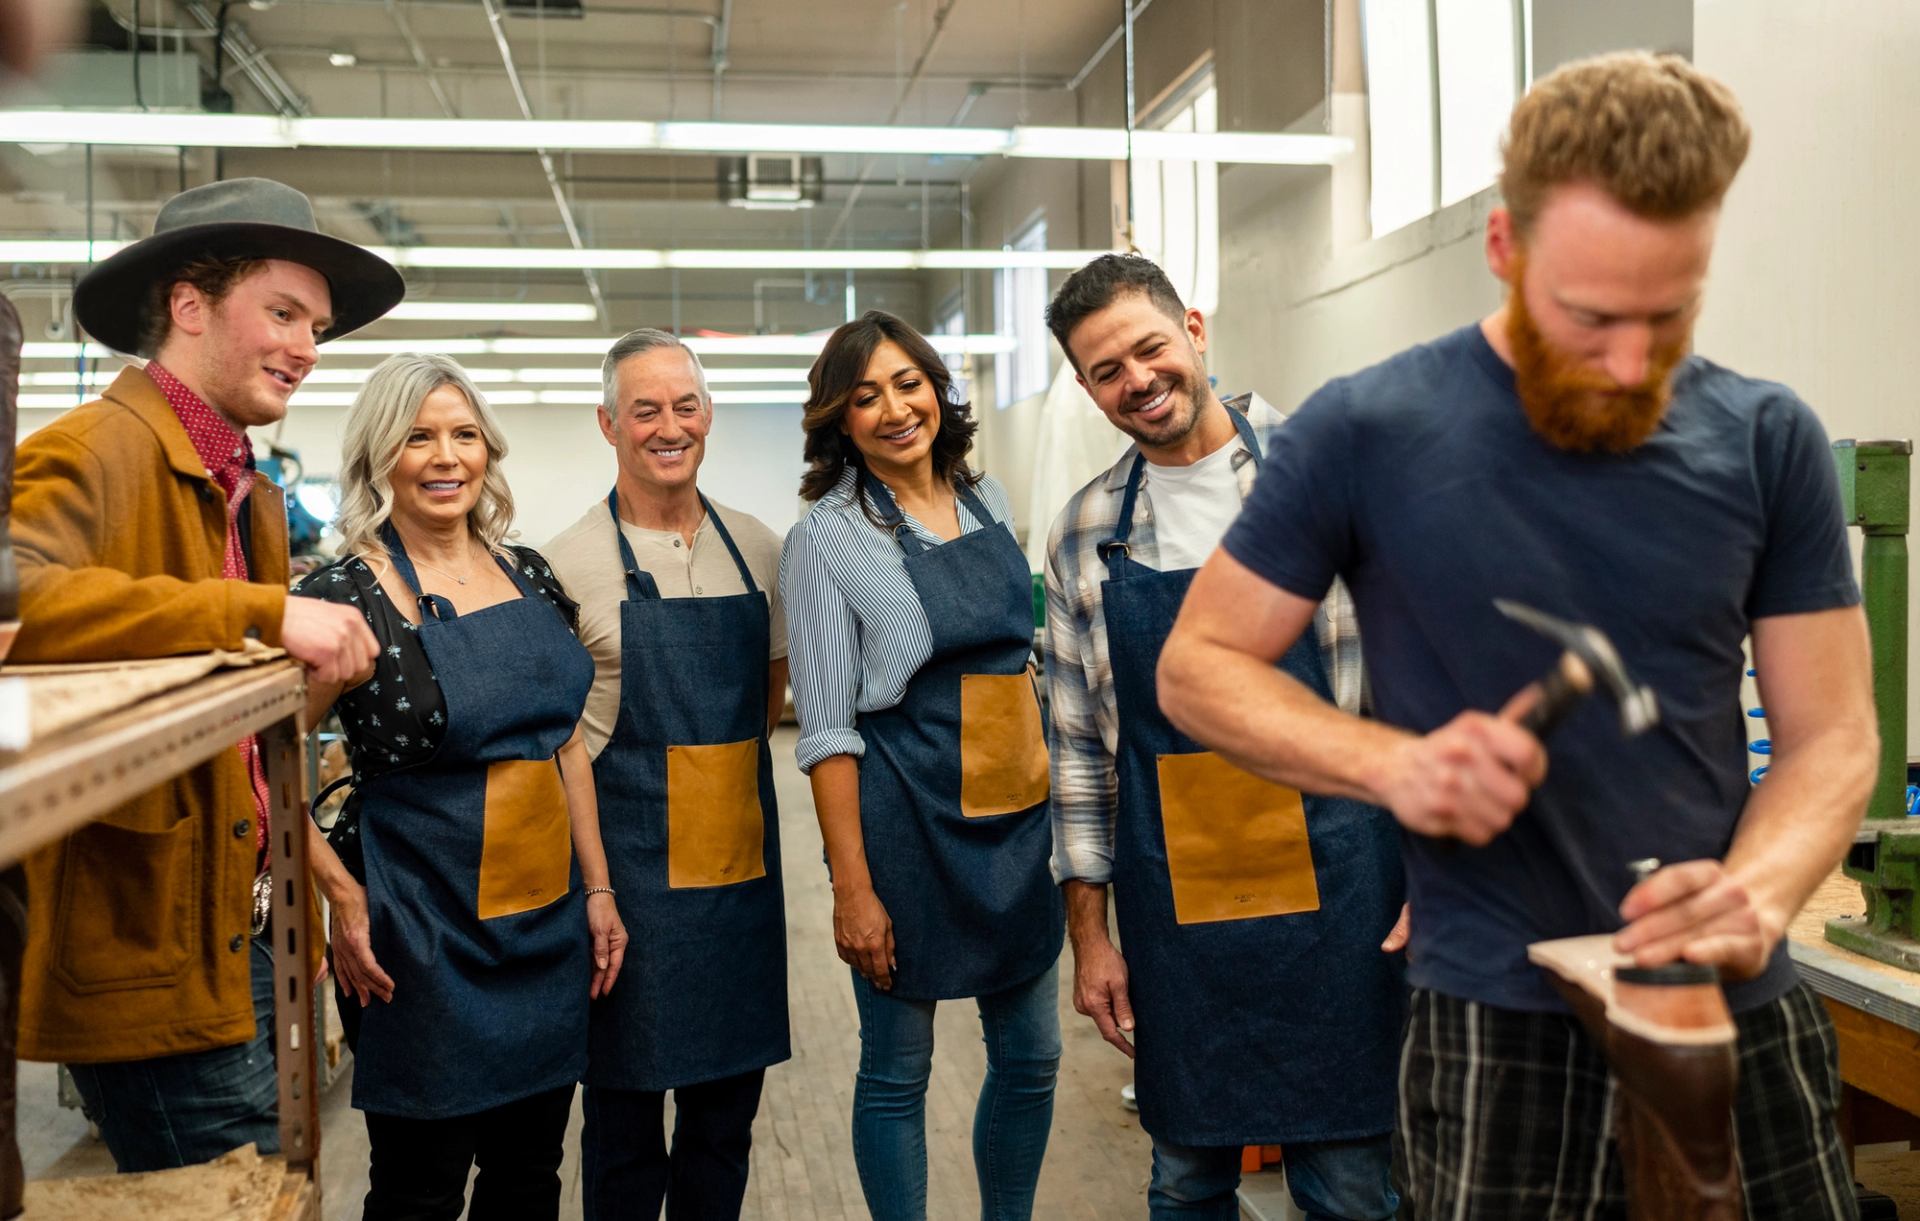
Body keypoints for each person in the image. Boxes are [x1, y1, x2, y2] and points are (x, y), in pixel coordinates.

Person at [1157, 52, 1876, 1219]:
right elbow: (1198, 668)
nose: (1632, 363)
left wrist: (1761, 889)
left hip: (1725, 1012)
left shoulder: (1765, 437)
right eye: (1591, 318)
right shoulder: (1366, 430)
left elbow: (1833, 734)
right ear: (1504, 246)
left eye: (1671, 315)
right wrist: (1395, 765)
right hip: (1495, 1031)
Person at [10, 177, 399, 1172]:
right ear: (189, 305)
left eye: (316, 327)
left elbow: (251, 742)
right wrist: (263, 613)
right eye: (283, 313)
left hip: (248, 928)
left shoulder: (246, 490)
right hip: (147, 945)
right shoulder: (89, 452)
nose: (307, 348)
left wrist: (311, 886)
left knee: (274, 1185)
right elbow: (19, 603)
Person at [1042, 253, 1404, 1220]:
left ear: (1194, 331)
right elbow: (1079, 759)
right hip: (1180, 901)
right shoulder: (1084, 534)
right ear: (1086, 387)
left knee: (1350, 1183)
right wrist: (1090, 938)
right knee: (1186, 1175)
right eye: (1106, 371)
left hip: (1344, 881)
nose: (1137, 379)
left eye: (1149, 348)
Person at [294, 353, 627, 1220]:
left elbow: (566, 743)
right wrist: (340, 894)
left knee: (530, 1175)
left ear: (487, 451)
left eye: (464, 434)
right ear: (380, 455)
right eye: (418, 437)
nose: (446, 457)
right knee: (422, 1186)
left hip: (543, 925)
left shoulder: (529, 572)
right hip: (420, 932)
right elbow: (257, 759)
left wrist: (597, 888)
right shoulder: (344, 596)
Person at [780, 311, 1063, 1220]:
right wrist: (852, 888)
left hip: (1014, 823)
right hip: (906, 824)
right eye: (866, 396)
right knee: (899, 1068)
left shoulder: (990, 499)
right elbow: (826, 728)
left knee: (1033, 1056)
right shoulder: (826, 538)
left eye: (909, 384)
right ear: (840, 419)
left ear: (938, 390)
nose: (896, 409)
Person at [544, 328, 791, 1220]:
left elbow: (768, 694)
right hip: (628, 882)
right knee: (623, 1133)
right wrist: (596, 886)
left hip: (738, 882)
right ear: (608, 422)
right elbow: (560, 740)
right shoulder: (567, 563)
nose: (669, 426)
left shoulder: (759, 549)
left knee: (725, 1125)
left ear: (709, 415)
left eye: (685, 406)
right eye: (645, 410)